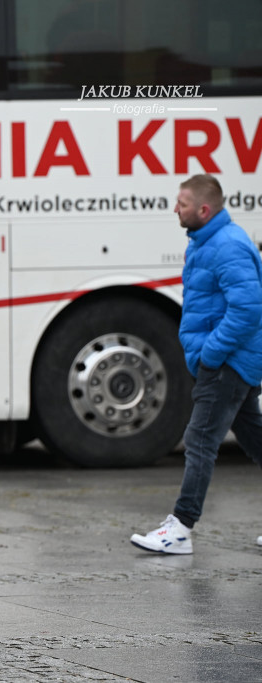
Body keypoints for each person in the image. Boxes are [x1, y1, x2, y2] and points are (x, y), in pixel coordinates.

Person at [131, 174, 262, 555]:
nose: (175, 208)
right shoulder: (208, 241)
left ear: (204, 210)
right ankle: (180, 529)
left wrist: (210, 353)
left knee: (200, 440)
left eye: (182, 203)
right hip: (231, 362)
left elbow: (248, 310)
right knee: (255, 440)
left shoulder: (227, 246)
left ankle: (181, 529)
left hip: (227, 365)